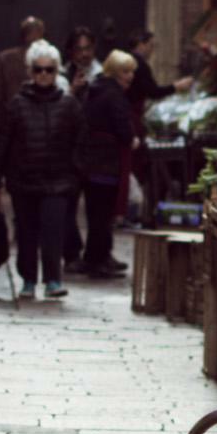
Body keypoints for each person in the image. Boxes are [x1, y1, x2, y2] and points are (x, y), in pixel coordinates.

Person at [0, 42, 81, 298]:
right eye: (38, 70)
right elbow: (3, 140)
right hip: (24, 180)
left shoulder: (68, 105)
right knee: (26, 232)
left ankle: (52, 280)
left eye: (49, 70)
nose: (44, 75)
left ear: (57, 71)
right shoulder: (17, 104)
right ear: (30, 71)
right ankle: (28, 279)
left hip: (58, 181)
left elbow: (80, 141)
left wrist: (76, 174)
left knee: (53, 230)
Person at [74, 50, 140, 279]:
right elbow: (123, 127)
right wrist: (132, 139)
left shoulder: (98, 89)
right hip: (105, 163)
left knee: (99, 214)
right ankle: (97, 257)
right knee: (102, 214)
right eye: (125, 71)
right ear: (114, 71)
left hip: (95, 162)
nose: (130, 76)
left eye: (132, 71)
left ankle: (100, 255)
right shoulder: (112, 95)